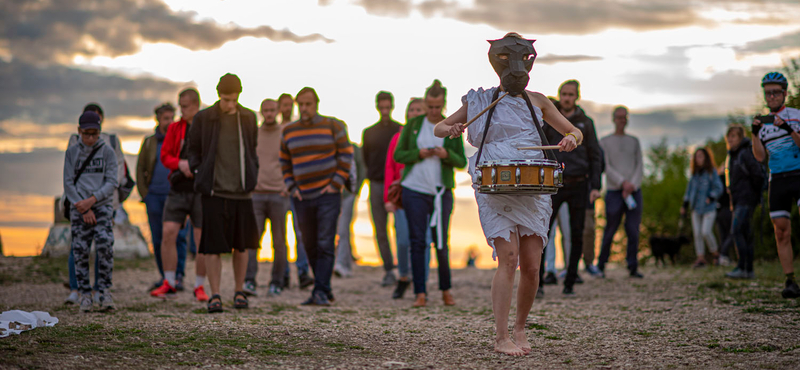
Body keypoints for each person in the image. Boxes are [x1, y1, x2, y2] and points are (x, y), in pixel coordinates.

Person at [433, 33, 581, 356]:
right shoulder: (480, 100)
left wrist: (571, 138)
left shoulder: (539, 101)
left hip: (533, 188)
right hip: (494, 185)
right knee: (509, 258)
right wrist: (452, 129)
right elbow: (439, 128)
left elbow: (575, 130)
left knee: (531, 264)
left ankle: (520, 328)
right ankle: (501, 336)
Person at [188, 73, 260, 312]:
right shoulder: (204, 118)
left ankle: (239, 292)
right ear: (219, 95)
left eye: (234, 99)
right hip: (213, 191)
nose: (231, 104)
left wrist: (252, 174)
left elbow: (252, 150)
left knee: (242, 245)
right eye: (227, 99)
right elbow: (193, 149)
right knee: (212, 246)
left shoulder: (248, 117)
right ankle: (215, 295)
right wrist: (200, 173)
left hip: (242, 192)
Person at [395, 79, 467, 308]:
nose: (434, 110)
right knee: (417, 242)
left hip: (441, 192)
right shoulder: (413, 124)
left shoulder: (450, 126)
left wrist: (446, 154)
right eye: (430, 106)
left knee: (441, 243)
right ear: (425, 103)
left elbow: (461, 161)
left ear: (444, 104)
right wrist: (419, 153)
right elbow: (399, 155)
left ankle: (446, 291)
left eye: (438, 106)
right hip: (414, 189)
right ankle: (420, 293)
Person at [280, 87, 354, 306]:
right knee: (309, 243)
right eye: (300, 104)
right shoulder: (289, 131)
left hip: (327, 195)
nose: (304, 108)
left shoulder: (333, 125)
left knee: (325, 241)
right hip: (302, 196)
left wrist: (336, 184)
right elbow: (284, 161)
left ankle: (320, 290)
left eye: (308, 104)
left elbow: (346, 154)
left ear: (316, 104)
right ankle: (324, 288)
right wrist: (291, 187)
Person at [539, 80, 602, 295]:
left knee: (577, 233)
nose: (566, 98)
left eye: (570, 94)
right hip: (553, 183)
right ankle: (537, 283)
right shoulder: (549, 121)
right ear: (560, 95)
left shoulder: (586, 123)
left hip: (579, 183)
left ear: (577, 97)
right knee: (542, 232)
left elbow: (595, 155)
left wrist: (595, 185)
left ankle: (570, 283)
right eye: (563, 94)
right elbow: (539, 149)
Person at [64, 103, 127, 306]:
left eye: (94, 134)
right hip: (79, 207)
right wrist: (82, 205)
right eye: (86, 134)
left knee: (105, 245)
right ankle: (84, 294)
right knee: (80, 249)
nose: (90, 138)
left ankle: (104, 291)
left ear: (100, 131)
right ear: (79, 131)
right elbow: (68, 182)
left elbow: (112, 181)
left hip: (101, 206)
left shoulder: (107, 151)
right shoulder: (72, 152)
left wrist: (93, 201)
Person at [150, 88, 207, 302]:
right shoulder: (175, 128)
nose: (181, 111)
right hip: (178, 189)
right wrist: (180, 164)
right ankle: (169, 282)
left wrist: (199, 170)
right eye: (180, 106)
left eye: (185, 107)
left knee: (201, 240)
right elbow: (165, 156)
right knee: (168, 233)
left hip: (200, 191)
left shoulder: (207, 127)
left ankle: (199, 286)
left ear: (196, 105)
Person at [751, 72, 800, 298]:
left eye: (775, 92)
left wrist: (788, 129)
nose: (771, 97)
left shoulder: (796, 115)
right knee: (781, 232)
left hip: (798, 174)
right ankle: (790, 280)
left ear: (784, 93)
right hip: (777, 179)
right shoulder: (763, 123)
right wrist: (754, 134)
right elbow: (760, 156)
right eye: (767, 93)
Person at [136, 103, 191, 291]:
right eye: (165, 118)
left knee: (179, 237)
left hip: (175, 196)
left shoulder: (180, 139)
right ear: (158, 119)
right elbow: (141, 168)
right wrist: (146, 194)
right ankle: (165, 276)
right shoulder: (150, 142)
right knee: (158, 238)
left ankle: (179, 276)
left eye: (171, 118)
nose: (169, 122)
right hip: (154, 197)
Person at [384, 98, 431, 299]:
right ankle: (403, 276)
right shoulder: (398, 137)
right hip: (402, 196)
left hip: (426, 194)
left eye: (418, 109)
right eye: (411, 109)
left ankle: (422, 284)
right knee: (403, 239)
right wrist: (388, 197)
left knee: (424, 240)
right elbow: (389, 167)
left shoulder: (431, 136)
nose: (414, 112)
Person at [245, 99, 290, 297]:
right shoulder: (254, 133)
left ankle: (277, 283)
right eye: (266, 111)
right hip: (257, 194)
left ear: (278, 111)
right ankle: (249, 281)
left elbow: (293, 161)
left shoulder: (285, 134)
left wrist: (287, 186)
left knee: (279, 242)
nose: (269, 114)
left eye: (272, 110)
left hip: (279, 194)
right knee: (252, 240)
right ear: (261, 112)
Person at [597, 106, 644, 279]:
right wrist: (622, 183)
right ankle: (601, 265)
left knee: (633, 229)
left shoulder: (634, 141)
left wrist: (632, 184)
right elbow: (606, 167)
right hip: (614, 192)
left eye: (624, 117)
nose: (621, 120)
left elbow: (639, 165)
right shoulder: (605, 142)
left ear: (627, 119)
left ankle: (632, 266)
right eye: (618, 117)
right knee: (610, 229)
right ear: (613, 119)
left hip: (634, 191)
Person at [361, 91, 402, 286]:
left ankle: (403, 269)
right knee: (380, 230)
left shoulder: (400, 130)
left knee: (400, 227)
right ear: (377, 106)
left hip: (397, 184)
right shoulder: (369, 133)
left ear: (392, 106)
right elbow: (366, 160)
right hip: (376, 184)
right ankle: (388, 270)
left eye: (388, 107)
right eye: (382, 107)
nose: (385, 110)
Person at [277, 93, 314, 290]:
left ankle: (302, 272)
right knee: (280, 234)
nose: (288, 108)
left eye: (290, 105)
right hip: (279, 189)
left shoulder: (298, 129)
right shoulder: (277, 130)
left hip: (296, 189)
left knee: (300, 233)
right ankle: (283, 274)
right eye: (284, 105)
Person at [723, 124, 764, 279]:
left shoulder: (746, 153)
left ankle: (742, 267)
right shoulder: (732, 155)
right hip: (739, 199)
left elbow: (757, 175)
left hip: (746, 199)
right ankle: (748, 270)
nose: (730, 139)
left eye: (733, 136)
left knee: (737, 230)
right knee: (745, 233)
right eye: (729, 136)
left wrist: (753, 194)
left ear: (740, 137)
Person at [681, 147, 724, 268]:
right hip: (696, 207)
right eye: (696, 156)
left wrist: (711, 196)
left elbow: (719, 188)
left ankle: (716, 254)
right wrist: (684, 205)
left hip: (709, 207)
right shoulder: (694, 175)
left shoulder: (711, 172)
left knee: (706, 231)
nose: (698, 159)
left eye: (701, 156)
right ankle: (700, 258)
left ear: (706, 157)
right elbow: (689, 191)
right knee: (697, 234)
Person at [333, 143, 366, 278]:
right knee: (333, 230)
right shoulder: (330, 147)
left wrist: (356, 190)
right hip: (332, 195)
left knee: (343, 230)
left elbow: (362, 169)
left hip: (348, 195)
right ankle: (339, 262)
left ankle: (342, 265)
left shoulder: (354, 149)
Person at [715, 165, 734, 267]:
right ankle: (723, 254)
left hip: (719, 211)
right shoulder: (727, 180)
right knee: (732, 233)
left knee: (723, 236)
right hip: (728, 210)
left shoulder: (716, 181)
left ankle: (724, 257)